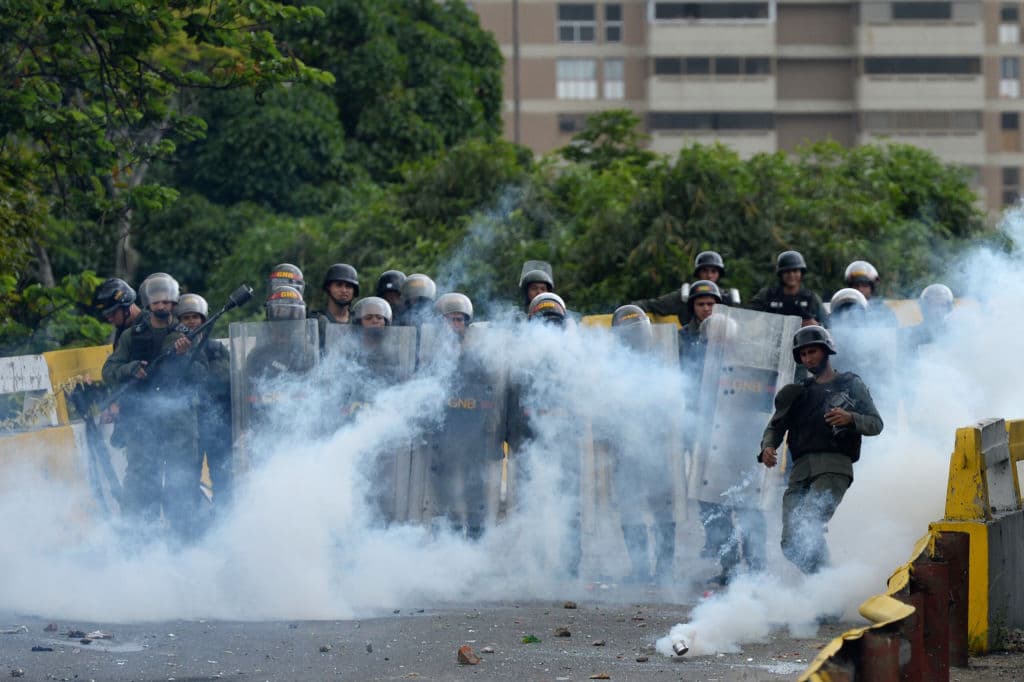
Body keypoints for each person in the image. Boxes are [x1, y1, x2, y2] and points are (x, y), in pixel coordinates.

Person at [758, 325, 883, 574]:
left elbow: (876, 424)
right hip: (800, 472)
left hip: (834, 467)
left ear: (826, 351)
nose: (808, 359)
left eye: (812, 352)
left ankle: (828, 595)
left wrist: (851, 418)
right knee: (791, 543)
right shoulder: (798, 393)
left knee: (808, 526)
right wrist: (768, 447)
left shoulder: (850, 384)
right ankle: (825, 588)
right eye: (803, 355)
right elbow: (775, 426)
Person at [102, 273, 206, 542]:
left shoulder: (186, 335)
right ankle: (138, 542)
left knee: (180, 482)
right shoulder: (131, 336)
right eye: (156, 301)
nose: (162, 306)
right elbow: (109, 370)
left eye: (166, 302)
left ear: (173, 303)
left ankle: (185, 541)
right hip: (143, 421)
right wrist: (131, 369)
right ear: (148, 303)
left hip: (178, 421)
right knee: (140, 484)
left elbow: (201, 375)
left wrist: (184, 357)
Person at [608, 305, 677, 581]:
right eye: (629, 334)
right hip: (625, 448)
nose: (634, 339)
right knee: (629, 507)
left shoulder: (661, 360)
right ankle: (638, 568)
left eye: (637, 333)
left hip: (657, 445)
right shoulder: (610, 367)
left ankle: (664, 570)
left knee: (663, 507)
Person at [175, 293, 233, 510]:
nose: (191, 322)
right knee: (189, 476)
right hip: (191, 424)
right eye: (186, 317)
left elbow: (230, 383)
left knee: (223, 474)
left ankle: (226, 519)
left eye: (195, 317)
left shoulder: (216, 349)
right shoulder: (176, 352)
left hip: (218, 422)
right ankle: (194, 524)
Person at [631, 251, 740, 325]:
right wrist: (631, 313)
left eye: (711, 304)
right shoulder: (684, 296)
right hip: (690, 345)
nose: (709, 275)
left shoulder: (728, 298)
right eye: (700, 304)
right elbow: (652, 305)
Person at [749, 251, 829, 328]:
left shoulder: (811, 298)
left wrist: (816, 325)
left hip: (803, 341)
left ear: (801, 273)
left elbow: (828, 325)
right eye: (787, 271)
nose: (791, 275)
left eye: (795, 271)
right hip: (771, 339)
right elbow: (747, 315)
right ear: (781, 274)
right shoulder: (768, 295)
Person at [843, 260, 898, 327]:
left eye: (864, 285)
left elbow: (893, 326)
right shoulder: (843, 307)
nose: (860, 289)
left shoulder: (881, 308)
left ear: (872, 288)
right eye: (856, 285)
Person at [92, 278, 143, 344]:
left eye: (112, 313)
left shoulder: (153, 326)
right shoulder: (122, 331)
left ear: (126, 307)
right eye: (107, 315)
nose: (110, 319)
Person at [909, 283, 954, 350]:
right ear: (924, 308)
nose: (938, 311)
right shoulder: (912, 335)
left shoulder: (954, 333)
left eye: (943, 306)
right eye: (934, 306)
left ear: (949, 308)